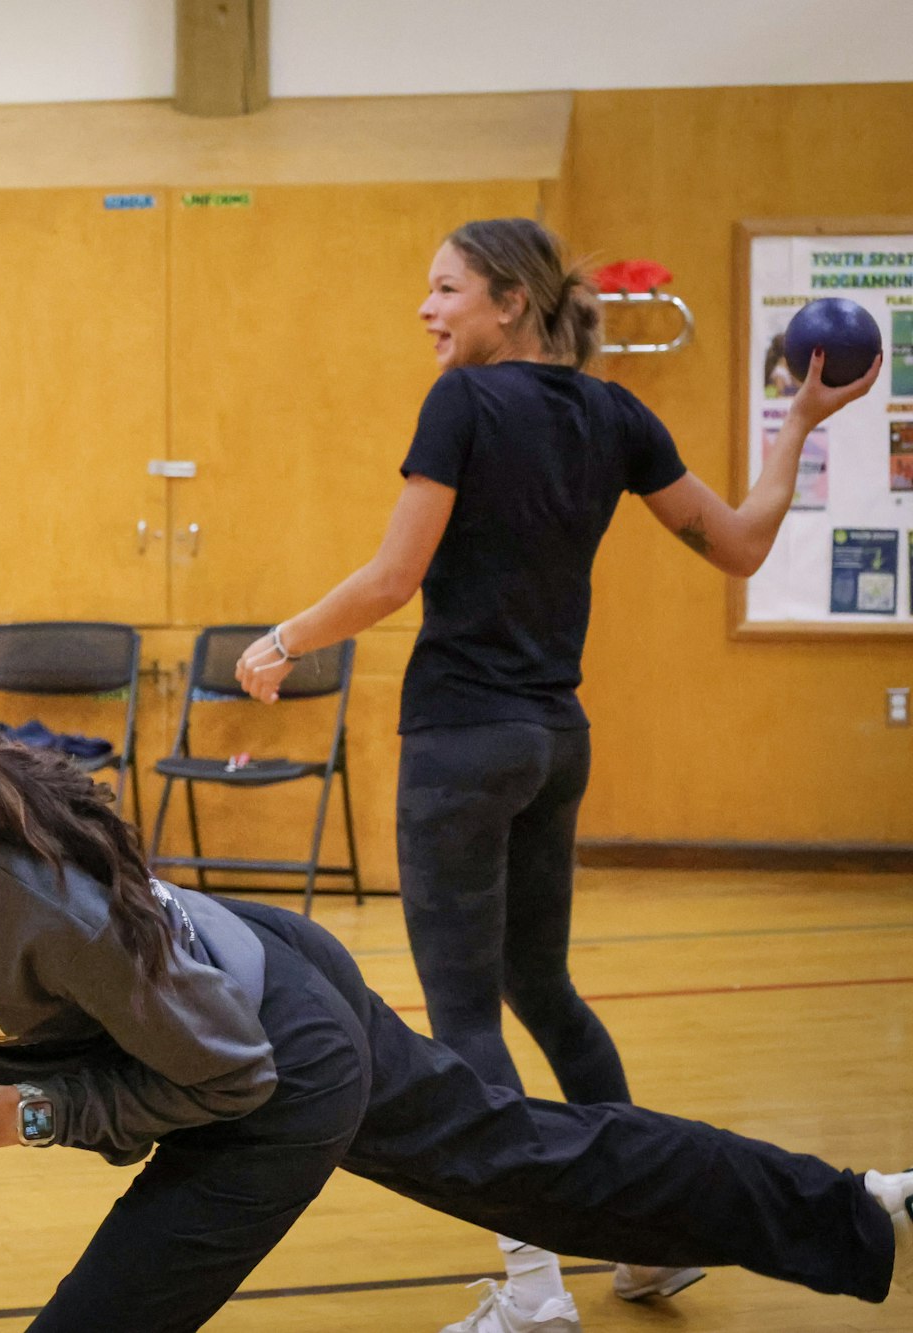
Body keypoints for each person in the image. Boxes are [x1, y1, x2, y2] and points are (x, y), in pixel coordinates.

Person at [0, 610, 908, 1333]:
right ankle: (853, 1207)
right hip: (204, 1001)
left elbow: (230, 1079)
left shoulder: (51, 911)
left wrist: (16, 1112)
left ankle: (844, 1211)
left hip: (268, 1057)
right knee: (529, 1163)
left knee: (517, 1166)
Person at [233, 217, 883, 1331]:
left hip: (458, 746)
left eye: (443, 289)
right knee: (544, 990)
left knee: (462, 1021)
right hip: (549, 744)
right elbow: (737, 544)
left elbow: (393, 579)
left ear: (508, 300)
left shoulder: (464, 405)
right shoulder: (612, 412)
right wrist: (793, 426)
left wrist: (281, 640)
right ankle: (644, 1238)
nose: (426, 310)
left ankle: (532, 1290)